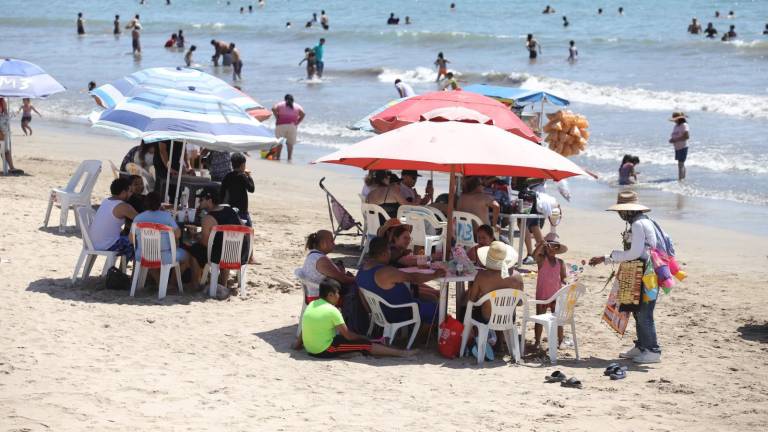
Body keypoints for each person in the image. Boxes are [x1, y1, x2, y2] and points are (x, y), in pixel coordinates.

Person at [589, 191, 669, 364]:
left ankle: (652, 351)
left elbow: (634, 253)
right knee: (637, 311)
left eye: (621, 211)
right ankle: (641, 346)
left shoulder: (638, 225)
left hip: (646, 274)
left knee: (644, 313)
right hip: (644, 271)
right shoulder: (644, 221)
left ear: (628, 211)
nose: (619, 215)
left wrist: (607, 257)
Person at [299, 279, 414, 358]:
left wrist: (297, 345)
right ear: (330, 295)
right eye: (337, 293)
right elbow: (348, 335)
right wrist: (363, 337)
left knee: (349, 341)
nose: (339, 296)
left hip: (310, 349)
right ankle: (401, 353)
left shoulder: (312, 305)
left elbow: (305, 328)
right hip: (323, 351)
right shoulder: (332, 310)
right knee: (363, 344)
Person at [356, 237, 443, 329]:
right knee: (439, 310)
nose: (391, 253)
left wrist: (371, 311)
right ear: (384, 253)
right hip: (399, 312)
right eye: (389, 250)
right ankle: (422, 334)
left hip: (381, 311)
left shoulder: (362, 270)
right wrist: (434, 275)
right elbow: (414, 278)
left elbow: (361, 295)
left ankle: (424, 329)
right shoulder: (385, 272)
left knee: (429, 299)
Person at [465, 241, 522, 357]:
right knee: (502, 309)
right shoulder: (517, 277)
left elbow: (472, 299)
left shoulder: (482, 276)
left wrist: (472, 287)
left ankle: (479, 342)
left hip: (487, 318)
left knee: (471, 309)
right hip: (509, 318)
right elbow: (520, 303)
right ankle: (499, 343)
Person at [188, 187, 248, 297]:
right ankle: (223, 283)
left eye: (201, 200)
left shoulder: (208, 218)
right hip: (241, 254)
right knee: (224, 245)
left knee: (194, 250)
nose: (199, 202)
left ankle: (195, 284)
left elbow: (206, 243)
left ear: (209, 201)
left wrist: (196, 237)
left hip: (221, 256)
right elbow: (243, 227)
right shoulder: (230, 210)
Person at [132, 191, 198, 289]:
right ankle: (171, 283)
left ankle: (160, 283)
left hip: (141, 255)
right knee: (187, 257)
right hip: (164, 255)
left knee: (151, 260)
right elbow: (178, 234)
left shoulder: (138, 218)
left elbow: (131, 239)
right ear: (160, 204)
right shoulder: (166, 217)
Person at [532, 233, 567, 350]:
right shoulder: (541, 260)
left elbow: (563, 277)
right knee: (539, 319)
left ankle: (560, 341)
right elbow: (533, 255)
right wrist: (541, 244)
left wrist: (566, 283)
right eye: (550, 246)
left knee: (558, 320)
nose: (553, 249)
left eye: (556, 247)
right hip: (542, 295)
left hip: (555, 295)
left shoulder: (560, 262)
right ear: (545, 247)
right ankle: (537, 341)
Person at [89, 178, 138, 260]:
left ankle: (132, 271)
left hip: (93, 243)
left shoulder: (106, 201)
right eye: (130, 192)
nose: (131, 194)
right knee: (141, 243)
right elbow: (142, 219)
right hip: (108, 245)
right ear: (123, 192)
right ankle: (138, 272)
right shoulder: (122, 206)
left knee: (130, 238)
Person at [219, 153, 254, 225]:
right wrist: (249, 176)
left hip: (230, 208)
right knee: (247, 228)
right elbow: (251, 189)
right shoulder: (242, 176)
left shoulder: (227, 176)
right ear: (242, 165)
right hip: (242, 209)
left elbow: (222, 192)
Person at [272, 94, 305, 161]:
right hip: (292, 126)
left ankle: (278, 157)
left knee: (279, 142)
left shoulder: (281, 104)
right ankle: (289, 158)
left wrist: (277, 117)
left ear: (285, 99)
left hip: (281, 125)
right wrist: (297, 122)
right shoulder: (297, 105)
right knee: (290, 144)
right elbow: (303, 114)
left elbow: (273, 109)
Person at [668, 112, 689, 181]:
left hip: (683, 146)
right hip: (677, 147)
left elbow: (686, 136)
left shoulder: (684, 125)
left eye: (675, 119)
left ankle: (681, 179)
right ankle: (682, 178)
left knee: (680, 164)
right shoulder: (676, 126)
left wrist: (675, 140)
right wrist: (672, 139)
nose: (674, 121)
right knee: (680, 164)